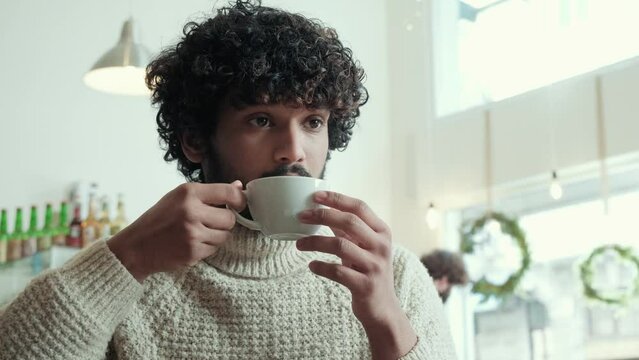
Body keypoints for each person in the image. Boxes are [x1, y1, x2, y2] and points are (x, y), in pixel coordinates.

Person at [0, 1, 456, 359]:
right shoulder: (135, 272)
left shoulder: (390, 274)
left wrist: (386, 320)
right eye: (261, 119)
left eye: (313, 122)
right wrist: (128, 256)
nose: (294, 150)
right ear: (196, 140)